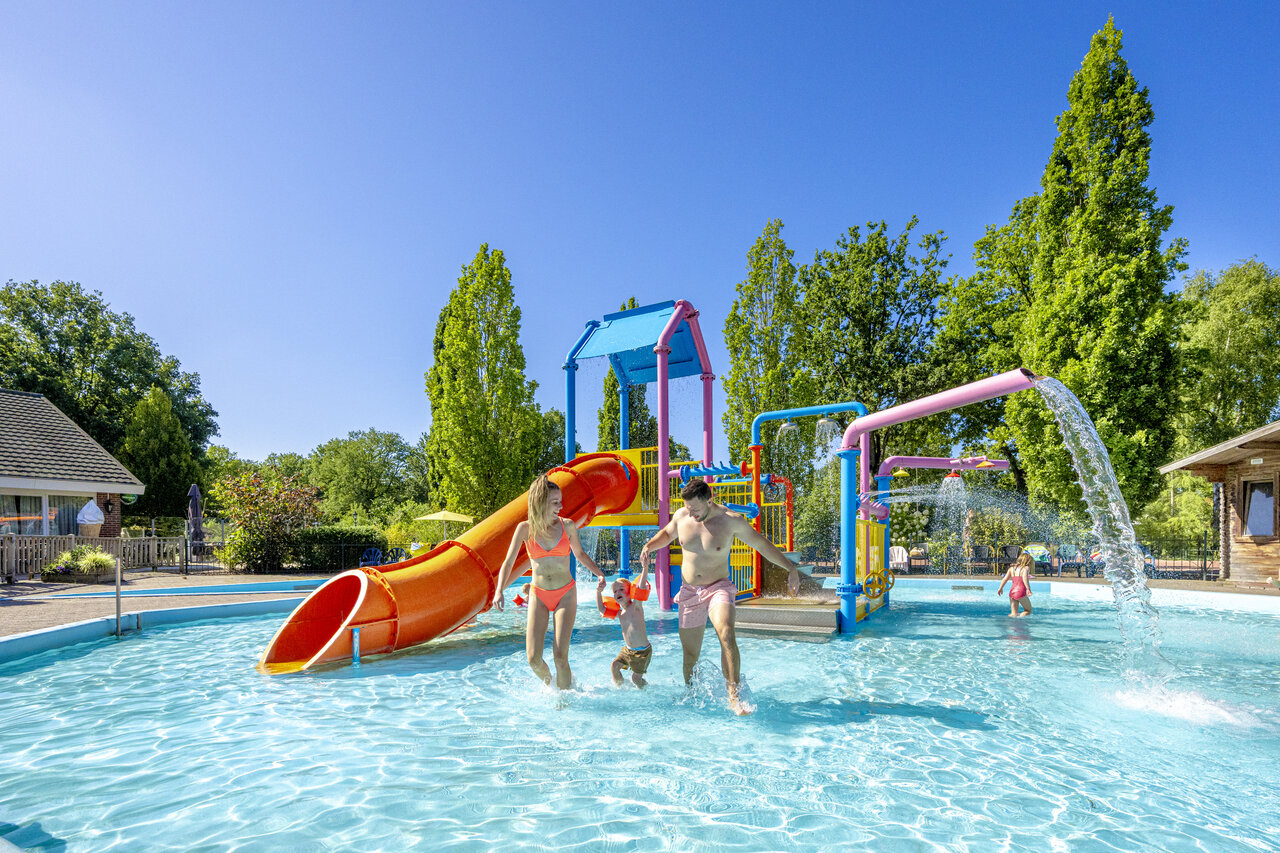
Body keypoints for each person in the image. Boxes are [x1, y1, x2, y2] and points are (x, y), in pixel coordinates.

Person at [638, 478, 799, 715]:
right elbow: (666, 534)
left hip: (718, 588)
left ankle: (734, 697)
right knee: (690, 654)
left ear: (709, 501)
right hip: (689, 592)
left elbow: (761, 544)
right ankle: (691, 694)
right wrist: (649, 546)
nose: (690, 513)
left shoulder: (731, 521)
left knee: (726, 632)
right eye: (688, 508)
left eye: (695, 508)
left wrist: (790, 568)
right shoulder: (682, 516)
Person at [492, 474, 605, 689]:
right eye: (555, 502)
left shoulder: (567, 526)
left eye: (560, 501)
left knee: (560, 657)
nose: (560, 507)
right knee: (533, 659)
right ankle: (553, 687)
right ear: (541, 502)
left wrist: (599, 573)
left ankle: (564, 700)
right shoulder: (525, 529)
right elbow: (508, 562)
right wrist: (499, 591)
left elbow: (580, 554)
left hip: (565, 594)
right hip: (539, 595)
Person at [597, 575, 651, 687]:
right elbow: (602, 609)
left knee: (636, 680)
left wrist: (645, 568)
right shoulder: (620, 614)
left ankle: (647, 688)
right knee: (614, 666)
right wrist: (598, 592)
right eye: (615, 591)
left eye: (621, 589)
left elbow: (640, 587)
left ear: (630, 592)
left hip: (642, 652)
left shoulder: (636, 606)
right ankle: (620, 689)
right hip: (628, 650)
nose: (618, 592)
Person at [998, 552, 1034, 617]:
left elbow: (1005, 579)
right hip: (1020, 592)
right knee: (1028, 610)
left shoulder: (1011, 569)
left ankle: (1010, 622)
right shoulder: (1025, 568)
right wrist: (1028, 589)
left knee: (1013, 613)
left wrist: (1000, 588)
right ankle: (1021, 619)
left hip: (1012, 592)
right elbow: (1025, 578)